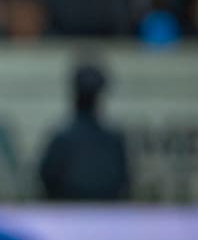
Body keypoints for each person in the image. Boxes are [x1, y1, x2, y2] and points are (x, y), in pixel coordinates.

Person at [38, 63, 130, 201]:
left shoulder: (61, 140)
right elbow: (124, 183)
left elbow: (46, 179)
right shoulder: (114, 141)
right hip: (104, 212)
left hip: (67, 211)